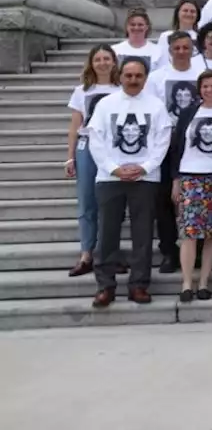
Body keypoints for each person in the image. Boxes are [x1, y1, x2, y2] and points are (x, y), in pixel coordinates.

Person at [87, 59, 172, 308]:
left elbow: (161, 142)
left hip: (145, 179)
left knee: (143, 234)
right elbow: (96, 140)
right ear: (120, 76)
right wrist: (114, 168)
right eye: (128, 75)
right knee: (107, 235)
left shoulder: (156, 107)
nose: (133, 80)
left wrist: (144, 167)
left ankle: (139, 285)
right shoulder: (106, 105)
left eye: (138, 75)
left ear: (145, 78)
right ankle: (105, 286)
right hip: (109, 179)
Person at [168, 70, 212, 303]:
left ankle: (204, 282)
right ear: (199, 89)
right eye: (205, 86)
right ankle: (186, 283)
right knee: (189, 234)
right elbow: (176, 148)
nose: (209, 90)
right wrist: (175, 180)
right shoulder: (188, 113)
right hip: (190, 177)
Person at [145, 31, 200, 271]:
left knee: (197, 200)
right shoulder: (157, 78)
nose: (181, 52)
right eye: (176, 48)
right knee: (164, 199)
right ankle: (169, 250)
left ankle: (196, 251)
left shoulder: (201, 74)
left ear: (192, 49)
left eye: (185, 47)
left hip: (197, 146)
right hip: (165, 143)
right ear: (169, 50)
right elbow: (149, 110)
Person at [65, 45, 119, 278]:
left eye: (107, 58)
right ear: (91, 63)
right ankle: (87, 253)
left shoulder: (121, 89)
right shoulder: (82, 91)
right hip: (87, 147)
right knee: (87, 201)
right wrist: (70, 155)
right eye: (98, 59)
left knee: (113, 203)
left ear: (114, 62)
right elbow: (75, 126)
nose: (103, 63)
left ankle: (111, 254)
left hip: (114, 147)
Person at [112, 8, 159, 75]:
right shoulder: (114, 50)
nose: (136, 28)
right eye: (133, 24)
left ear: (147, 27)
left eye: (140, 25)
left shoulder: (158, 51)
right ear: (127, 27)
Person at [155, 0, 200, 69]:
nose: (189, 14)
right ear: (177, 13)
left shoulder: (201, 37)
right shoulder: (166, 36)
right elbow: (161, 62)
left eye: (193, 11)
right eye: (185, 11)